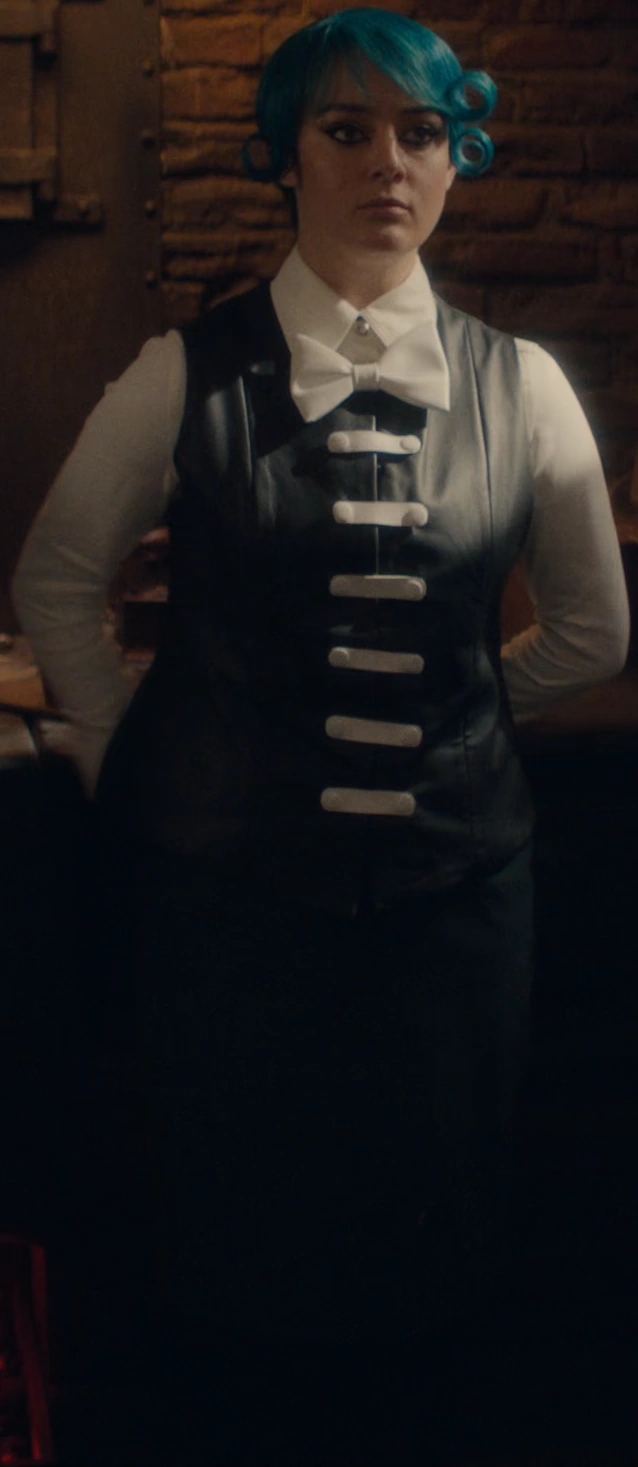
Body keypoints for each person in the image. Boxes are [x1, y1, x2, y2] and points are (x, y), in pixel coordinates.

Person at [13, 9, 629, 1464]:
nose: (387, 164)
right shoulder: (183, 371)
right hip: (231, 908)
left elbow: (594, 634)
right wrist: (128, 742)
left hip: (455, 907)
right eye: (346, 131)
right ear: (285, 156)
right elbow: (56, 579)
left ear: (458, 158)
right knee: (238, 1243)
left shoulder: (523, 383)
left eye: (422, 132)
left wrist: (458, 722)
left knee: (436, 1246)